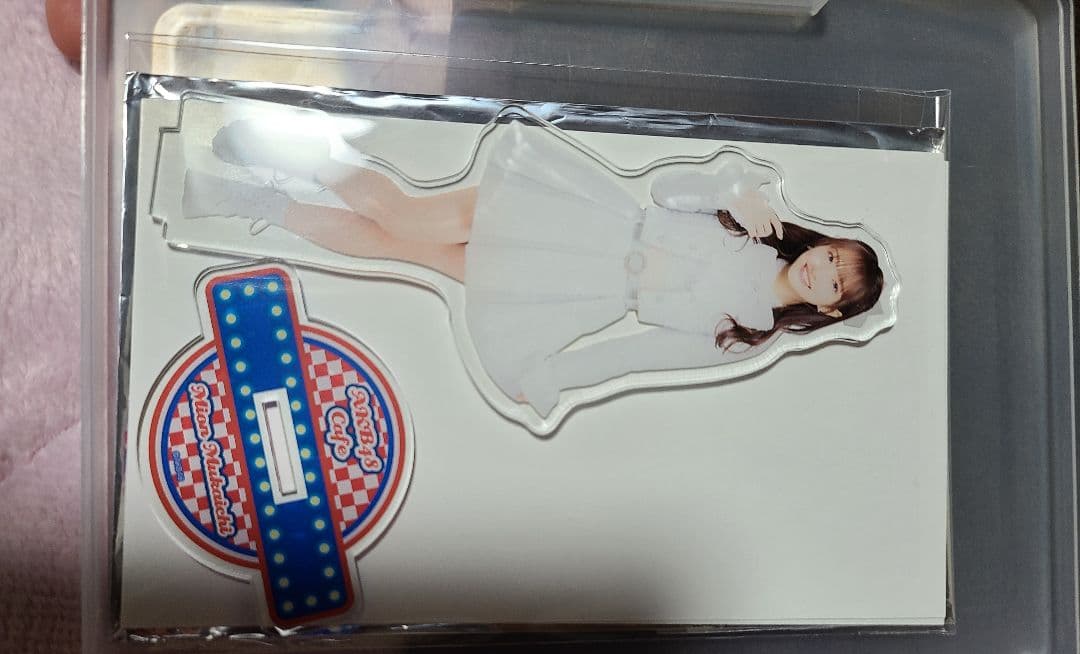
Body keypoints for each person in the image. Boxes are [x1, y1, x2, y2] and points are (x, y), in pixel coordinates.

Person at [185, 116, 885, 417]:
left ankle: (254, 203)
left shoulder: (747, 333)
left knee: (404, 248)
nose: (821, 271)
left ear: (830, 308)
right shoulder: (753, 227)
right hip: (579, 220)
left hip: (579, 288)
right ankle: (290, 155)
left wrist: (550, 379)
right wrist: (731, 190)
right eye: (831, 256)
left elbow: (638, 356)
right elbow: (669, 189)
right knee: (408, 217)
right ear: (822, 243)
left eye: (835, 284)